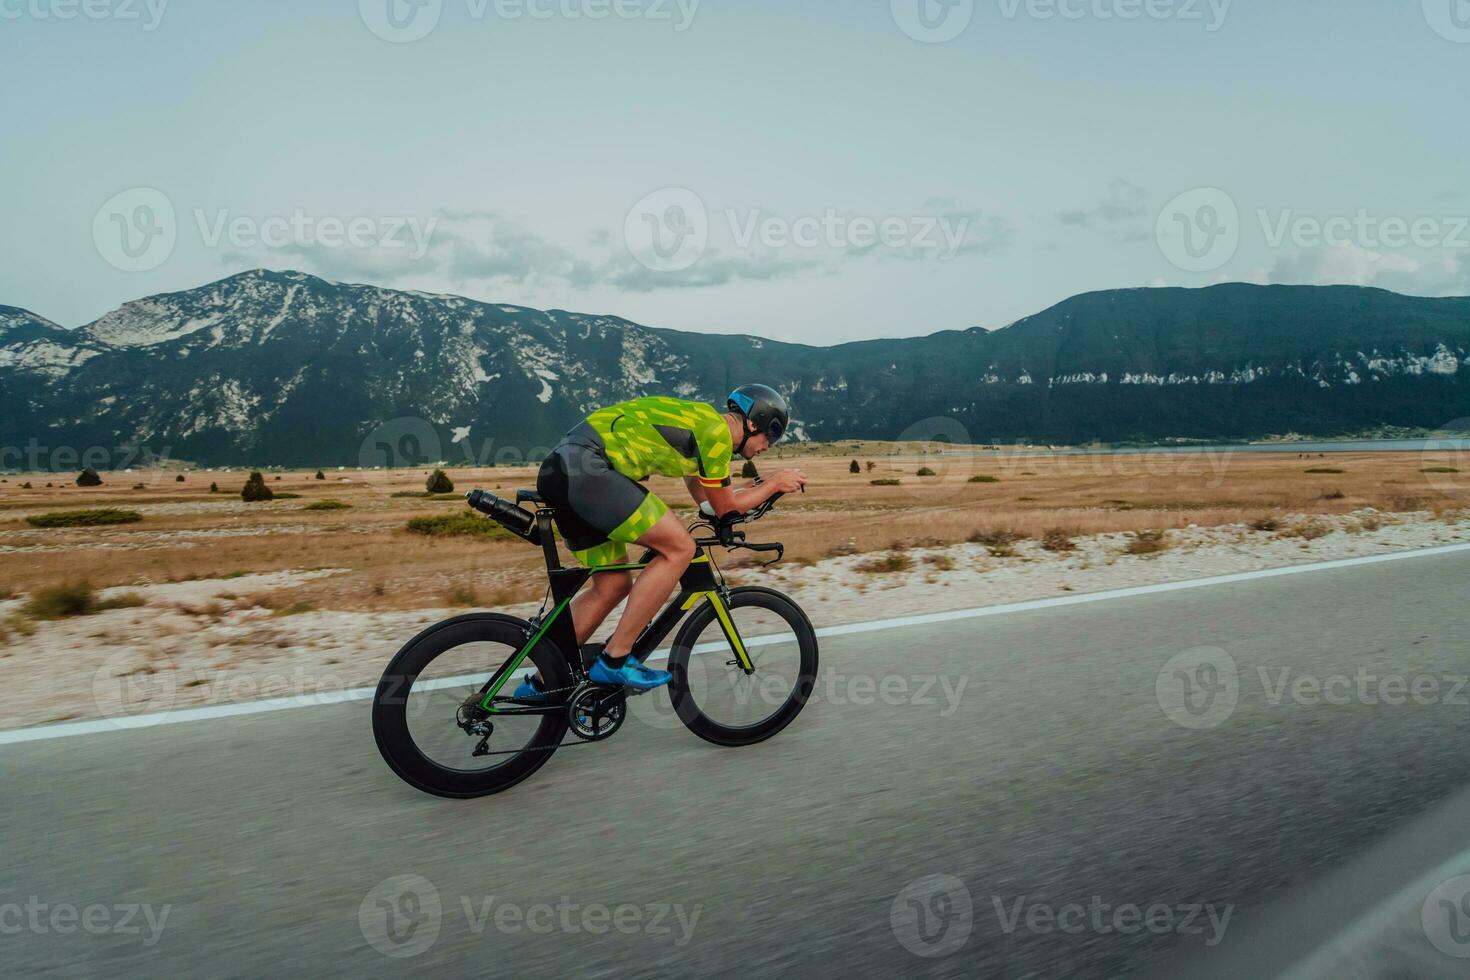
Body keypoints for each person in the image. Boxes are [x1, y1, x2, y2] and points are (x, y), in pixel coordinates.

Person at [516, 384, 806, 697]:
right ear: (753, 423)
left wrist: (758, 488)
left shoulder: (703, 426)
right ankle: (615, 660)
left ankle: (543, 683)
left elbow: (710, 504)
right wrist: (775, 481)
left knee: (612, 586)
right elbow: (725, 508)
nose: (769, 446)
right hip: (587, 470)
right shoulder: (717, 434)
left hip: (564, 471)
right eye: (772, 435)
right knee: (680, 548)